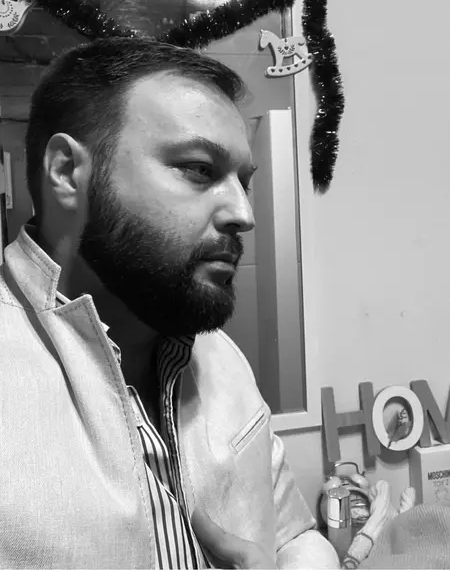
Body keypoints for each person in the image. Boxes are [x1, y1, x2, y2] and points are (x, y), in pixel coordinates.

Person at [0, 36, 339, 569]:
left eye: (244, 182)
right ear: (67, 172)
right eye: (199, 169)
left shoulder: (223, 358)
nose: (243, 214)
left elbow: (292, 535)